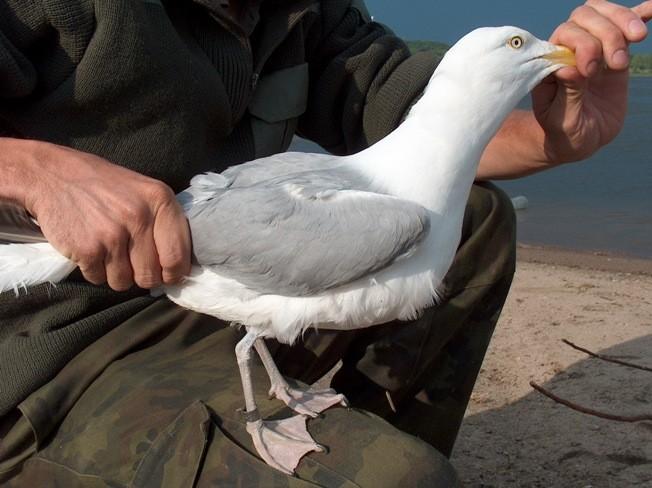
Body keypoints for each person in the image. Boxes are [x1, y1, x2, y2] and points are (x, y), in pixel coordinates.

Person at [0, 0, 650, 485]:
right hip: (55, 344)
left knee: (472, 215)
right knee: (399, 482)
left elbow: (420, 112)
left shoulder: (294, 8)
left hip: (209, 288)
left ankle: (353, 437)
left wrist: (558, 137)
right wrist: (34, 170)